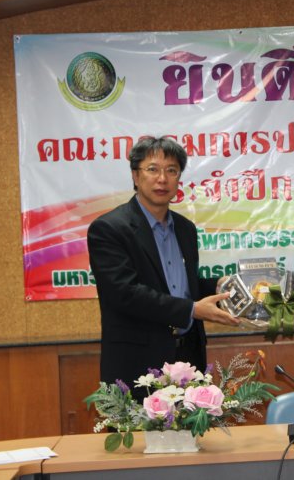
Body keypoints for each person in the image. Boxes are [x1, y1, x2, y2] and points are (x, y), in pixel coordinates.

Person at [88, 136, 238, 396]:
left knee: (194, 426)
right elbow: (125, 293)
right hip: (137, 364)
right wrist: (192, 310)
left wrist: (222, 286)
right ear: (135, 176)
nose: (162, 179)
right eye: (152, 169)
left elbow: (180, 286)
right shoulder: (109, 228)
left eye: (172, 170)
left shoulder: (185, 228)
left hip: (188, 357)